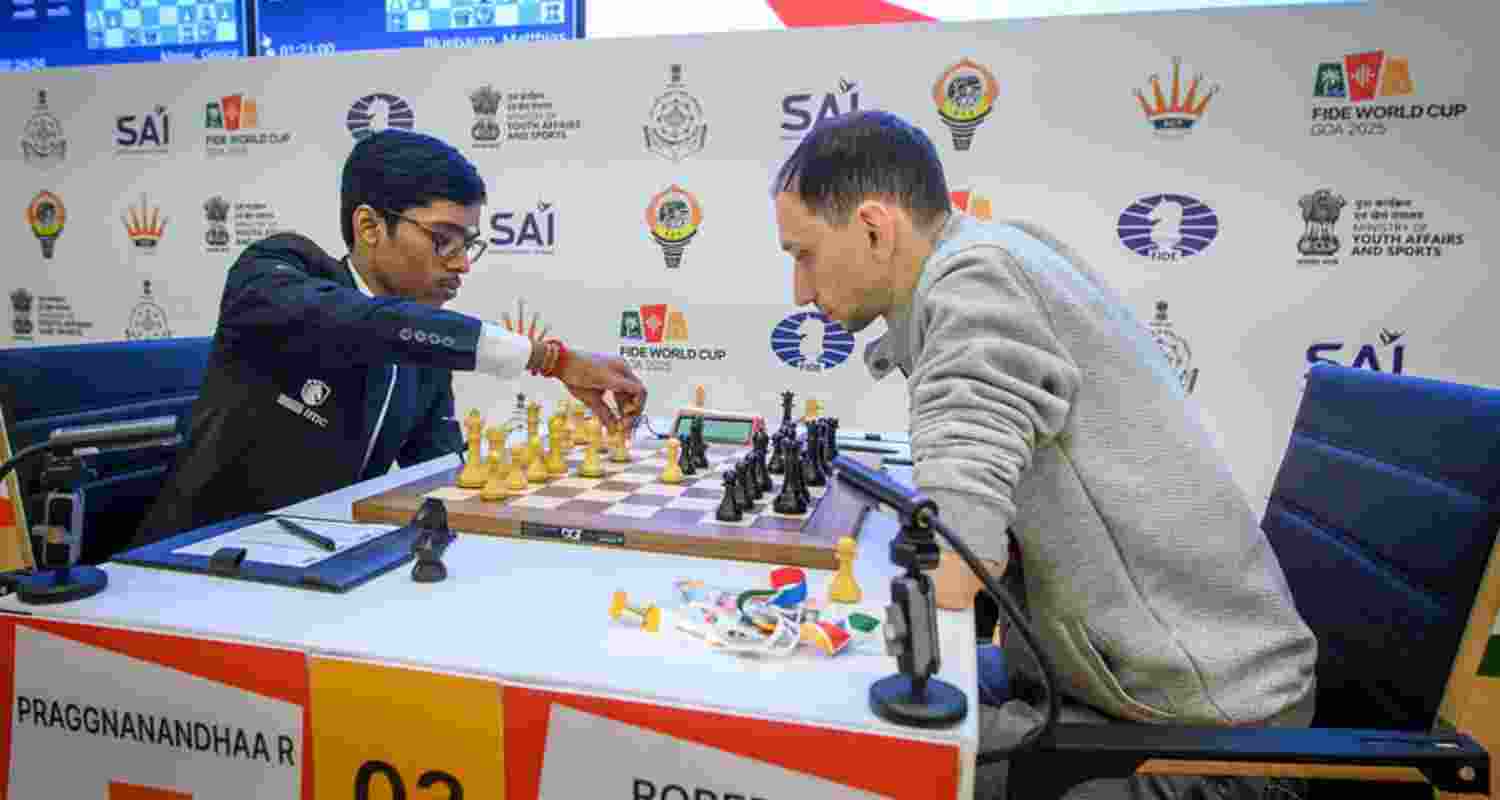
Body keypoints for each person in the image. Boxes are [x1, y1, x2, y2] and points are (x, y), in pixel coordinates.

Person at [772, 110, 1317, 799]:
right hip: (1113, 683)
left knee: (858, 761)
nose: (799, 291)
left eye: (803, 254)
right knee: (853, 694)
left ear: (875, 229)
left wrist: (795, 616)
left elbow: (959, 562)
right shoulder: (998, 253)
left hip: (1213, 738)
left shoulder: (975, 282)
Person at [134, 129, 646, 547]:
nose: (461, 263)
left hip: (325, 562)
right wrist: (549, 359)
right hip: (192, 562)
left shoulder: (425, 350)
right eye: (443, 239)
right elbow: (368, 323)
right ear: (369, 226)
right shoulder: (274, 274)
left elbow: (443, 474)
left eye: (468, 244)